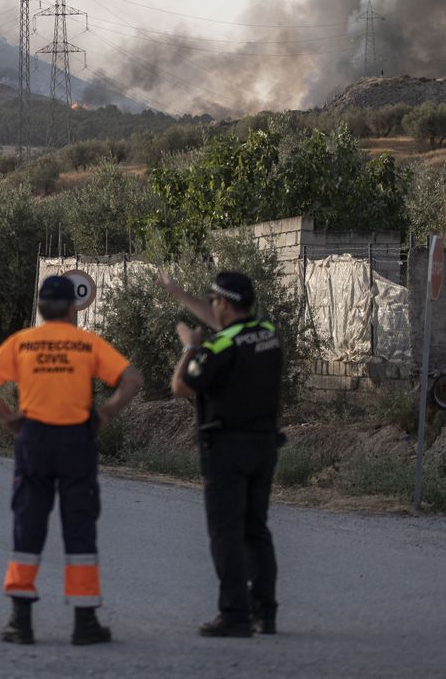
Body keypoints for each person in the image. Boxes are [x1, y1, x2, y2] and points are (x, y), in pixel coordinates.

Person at [0, 275, 143, 646]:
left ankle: (21, 621)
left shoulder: (22, 342)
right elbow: (131, 379)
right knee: (79, 527)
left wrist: (6, 415)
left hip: (33, 440)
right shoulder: (86, 343)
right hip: (77, 440)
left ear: (42, 308)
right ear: (70, 307)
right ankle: (84, 623)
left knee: (27, 526)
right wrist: (106, 413)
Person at [157, 269, 283, 638]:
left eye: (214, 301)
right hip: (264, 444)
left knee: (226, 532)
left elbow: (181, 387)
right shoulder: (267, 334)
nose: (212, 308)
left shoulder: (217, 349)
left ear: (224, 303)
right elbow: (225, 325)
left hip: (227, 448)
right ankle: (266, 612)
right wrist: (177, 292)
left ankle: (234, 614)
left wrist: (189, 347)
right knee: (255, 529)